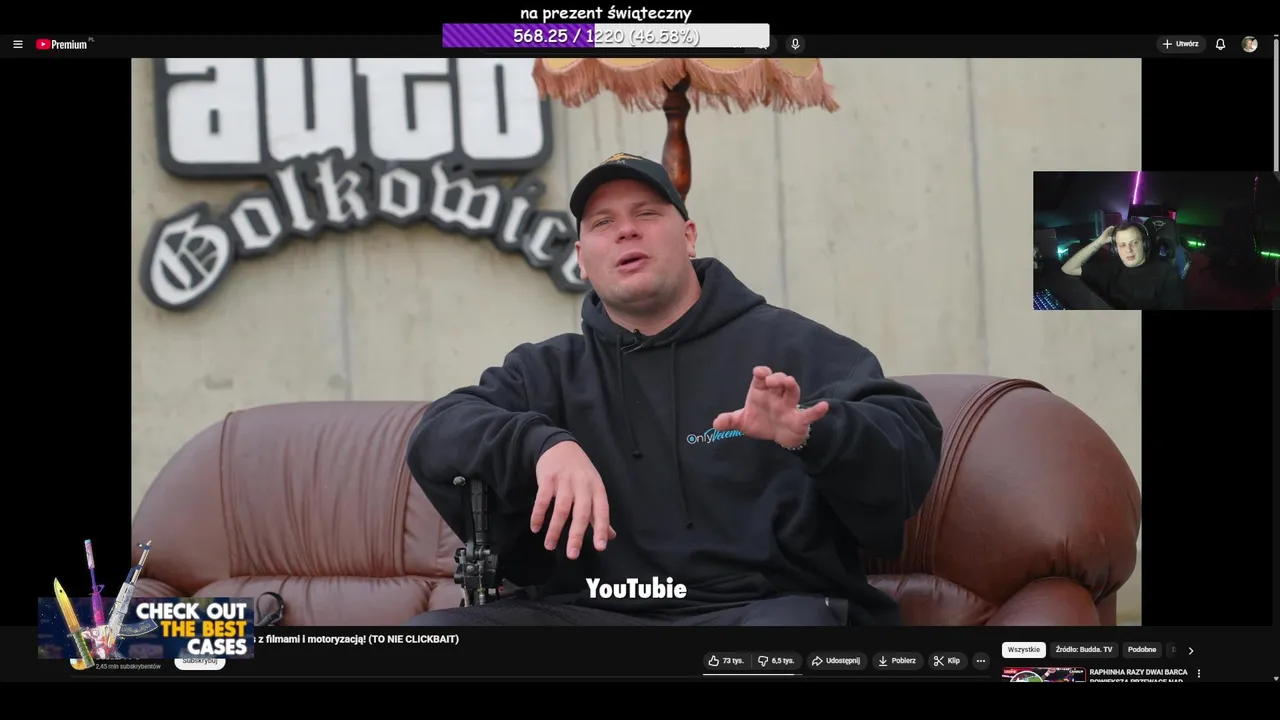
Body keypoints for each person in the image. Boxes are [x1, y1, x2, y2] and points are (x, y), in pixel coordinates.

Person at [404, 153, 944, 627]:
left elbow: (907, 437)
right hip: (593, 613)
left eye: (646, 214)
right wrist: (541, 445)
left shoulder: (788, 348)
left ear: (688, 236)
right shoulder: (547, 370)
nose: (626, 231)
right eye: (603, 222)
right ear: (581, 258)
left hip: (760, 610)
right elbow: (441, 429)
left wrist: (814, 433)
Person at [1060, 223, 1185, 309]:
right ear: (1115, 249)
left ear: (1144, 244)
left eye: (1134, 243)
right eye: (1122, 245)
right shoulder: (1111, 267)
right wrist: (1100, 241)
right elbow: (1068, 268)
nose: (1128, 250)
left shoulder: (1165, 272)